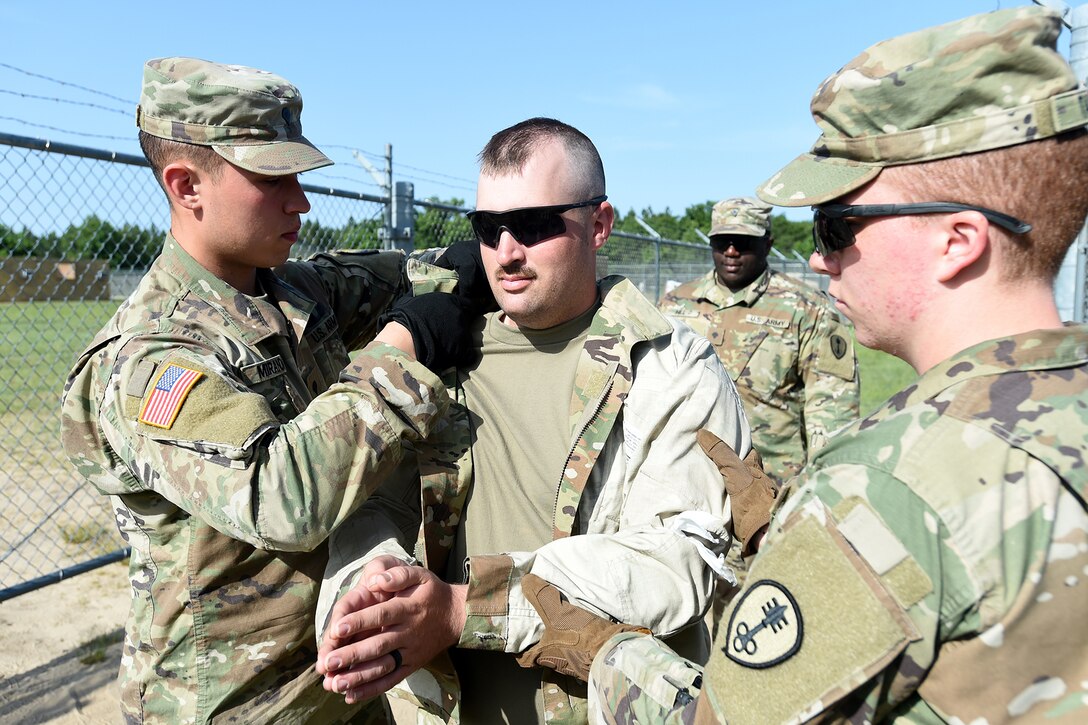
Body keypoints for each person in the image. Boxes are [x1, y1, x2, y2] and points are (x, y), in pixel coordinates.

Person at [565, 7, 1086, 723]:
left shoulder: (889, 487)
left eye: (839, 224)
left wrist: (602, 648)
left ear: (958, 240)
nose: (820, 255)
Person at [60, 57, 482, 723]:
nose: (301, 200)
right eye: (271, 177)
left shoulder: (287, 289)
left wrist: (481, 259)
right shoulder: (152, 357)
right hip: (235, 706)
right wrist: (403, 351)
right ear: (186, 185)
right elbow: (280, 496)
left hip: (337, 685)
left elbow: (396, 276)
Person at [315, 117, 757, 723]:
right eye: (487, 229)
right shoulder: (438, 358)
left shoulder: (671, 367)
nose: (506, 252)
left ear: (598, 225)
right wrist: (368, 589)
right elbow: (372, 508)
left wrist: (464, 610)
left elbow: (679, 562)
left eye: (532, 225)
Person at [659, 196, 859, 487]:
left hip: (771, 482)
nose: (731, 251)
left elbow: (831, 410)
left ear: (767, 243)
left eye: (743, 242)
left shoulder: (807, 309)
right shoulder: (675, 305)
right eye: (722, 241)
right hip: (687, 478)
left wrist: (823, 486)